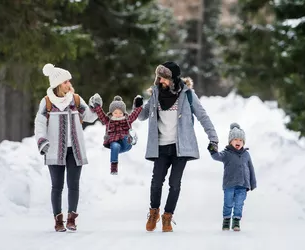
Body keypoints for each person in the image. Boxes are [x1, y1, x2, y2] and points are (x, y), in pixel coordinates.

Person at [138, 61, 219, 232]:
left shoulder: (188, 95)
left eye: (164, 78)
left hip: (180, 147)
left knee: (174, 183)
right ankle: (154, 213)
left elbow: (203, 117)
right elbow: (142, 116)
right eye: (159, 78)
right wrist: (136, 106)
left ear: (173, 79)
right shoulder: (155, 94)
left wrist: (213, 139)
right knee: (156, 182)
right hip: (160, 146)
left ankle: (168, 217)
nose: (161, 81)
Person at [34, 63, 98, 232]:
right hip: (54, 150)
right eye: (65, 82)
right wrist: (42, 141)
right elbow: (40, 124)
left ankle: (71, 219)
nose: (69, 84)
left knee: (74, 185)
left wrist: (95, 106)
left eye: (69, 81)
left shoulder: (75, 100)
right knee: (57, 186)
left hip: (74, 150)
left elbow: (90, 117)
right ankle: (58, 220)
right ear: (57, 84)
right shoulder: (47, 102)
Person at [208, 123, 257, 231]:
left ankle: (236, 221)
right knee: (228, 203)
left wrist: (252, 183)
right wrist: (212, 149)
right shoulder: (226, 153)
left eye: (240, 140)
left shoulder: (246, 154)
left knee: (239, 204)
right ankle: (226, 221)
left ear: (243, 142)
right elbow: (217, 156)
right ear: (230, 141)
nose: (238, 142)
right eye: (235, 140)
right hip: (229, 184)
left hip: (243, 184)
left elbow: (251, 168)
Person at [88, 94, 144, 175]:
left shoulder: (127, 120)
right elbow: (101, 114)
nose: (118, 115)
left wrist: (138, 106)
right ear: (112, 113)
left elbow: (134, 114)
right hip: (115, 145)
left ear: (123, 113)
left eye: (120, 113)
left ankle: (126, 138)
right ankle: (114, 167)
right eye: (115, 113)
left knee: (125, 136)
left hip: (126, 144)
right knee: (115, 145)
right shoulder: (108, 121)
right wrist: (97, 106)